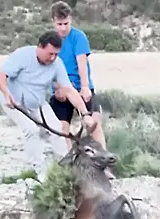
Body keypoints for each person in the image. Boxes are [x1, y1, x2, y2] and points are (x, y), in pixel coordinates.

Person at [0, 30, 91, 182]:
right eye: (50, 54)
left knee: (58, 131)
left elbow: (70, 91)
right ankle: (39, 173)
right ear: (40, 47)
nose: (52, 58)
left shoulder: (57, 64)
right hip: (14, 102)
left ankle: (66, 169)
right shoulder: (23, 55)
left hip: (37, 102)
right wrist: (7, 94)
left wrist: (85, 114)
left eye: (56, 55)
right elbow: (0, 76)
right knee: (31, 130)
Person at [48, 1, 114, 180]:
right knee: (62, 129)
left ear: (71, 20)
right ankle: (71, 169)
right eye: (59, 24)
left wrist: (85, 87)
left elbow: (81, 63)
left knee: (93, 123)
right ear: (53, 22)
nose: (63, 28)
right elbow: (47, 67)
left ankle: (104, 166)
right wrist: (56, 88)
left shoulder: (78, 37)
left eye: (66, 23)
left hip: (80, 86)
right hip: (61, 89)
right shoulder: (50, 40)